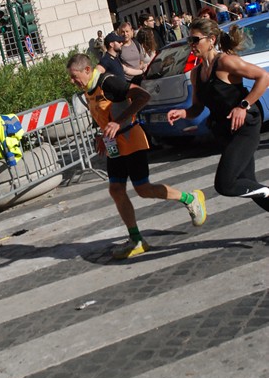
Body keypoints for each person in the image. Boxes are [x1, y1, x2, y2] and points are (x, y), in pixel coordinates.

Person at [66, 53, 207, 259]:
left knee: (143, 189)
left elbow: (143, 96)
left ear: (87, 70)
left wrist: (118, 121)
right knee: (116, 190)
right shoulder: (90, 89)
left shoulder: (109, 83)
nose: (72, 81)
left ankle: (190, 198)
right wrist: (101, 134)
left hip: (132, 140)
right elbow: (104, 112)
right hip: (115, 146)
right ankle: (136, 240)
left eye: (74, 76)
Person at [167, 18, 269, 212]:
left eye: (196, 40)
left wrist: (244, 105)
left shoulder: (226, 62)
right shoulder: (196, 73)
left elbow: (264, 77)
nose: (192, 45)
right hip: (225, 131)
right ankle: (264, 192)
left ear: (211, 39)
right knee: (248, 184)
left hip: (245, 128)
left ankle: (267, 191)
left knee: (226, 184)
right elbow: (196, 108)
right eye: (190, 40)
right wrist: (183, 113)